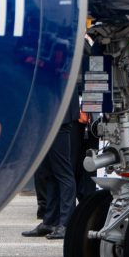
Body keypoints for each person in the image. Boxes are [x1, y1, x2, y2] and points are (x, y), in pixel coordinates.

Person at [24, 76, 81, 239]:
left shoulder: (64, 55)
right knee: (48, 172)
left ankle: (65, 223)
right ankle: (50, 221)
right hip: (46, 116)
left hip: (59, 117)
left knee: (62, 172)